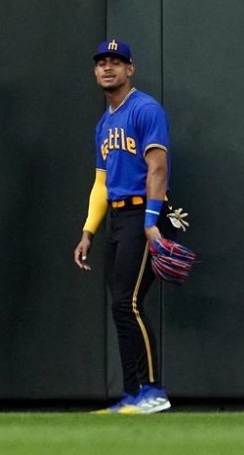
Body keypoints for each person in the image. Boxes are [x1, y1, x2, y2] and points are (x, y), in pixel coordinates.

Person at [73, 38, 179, 415]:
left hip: (144, 214)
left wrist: (152, 222)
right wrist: (89, 230)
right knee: (121, 307)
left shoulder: (145, 109)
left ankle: (153, 392)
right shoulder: (104, 123)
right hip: (119, 217)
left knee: (129, 302)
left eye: (116, 61)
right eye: (101, 61)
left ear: (130, 69)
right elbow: (102, 183)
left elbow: (158, 168)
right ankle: (133, 394)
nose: (107, 67)